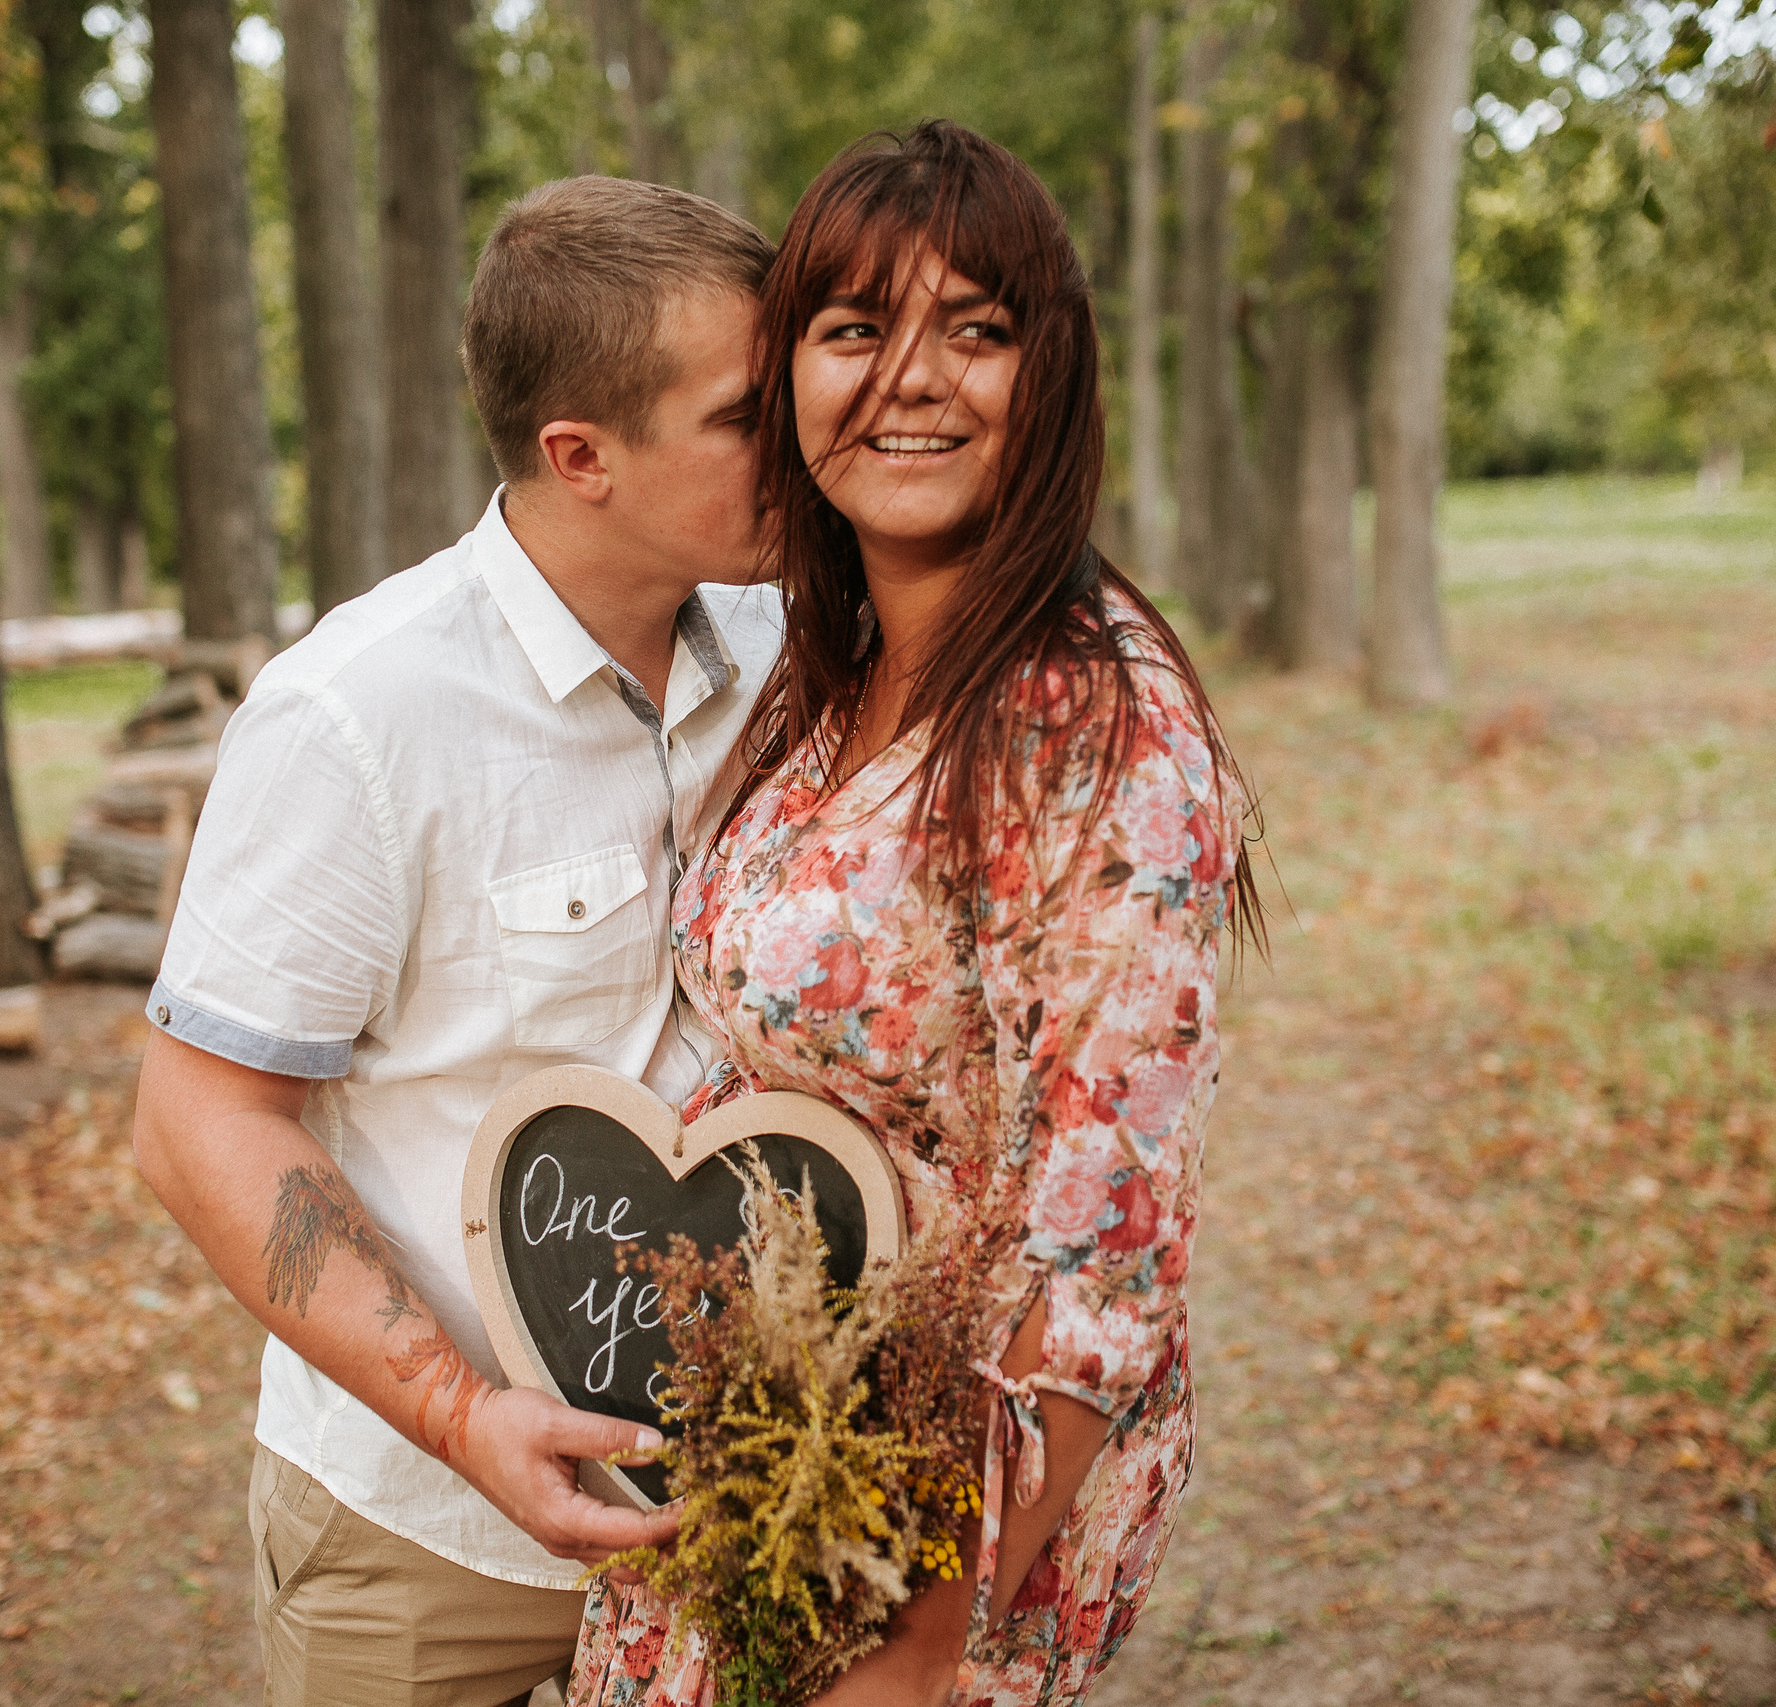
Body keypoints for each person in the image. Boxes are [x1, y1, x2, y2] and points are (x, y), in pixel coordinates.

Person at [567, 121, 1262, 1707]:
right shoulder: (816, 683)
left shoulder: (1093, 722)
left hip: (936, 1538)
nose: (914, 380)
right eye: (856, 329)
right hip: (761, 1486)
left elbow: (1108, 1250)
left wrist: (930, 1630)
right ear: (791, 375)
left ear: (1052, 373)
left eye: (978, 329)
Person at [131, 176, 781, 1707]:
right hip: (425, 1546)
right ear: (582, 456)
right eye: (747, 415)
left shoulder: (790, 642)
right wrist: (455, 1414)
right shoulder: (353, 718)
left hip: (746, 1514)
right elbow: (196, 1120)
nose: (807, 442)